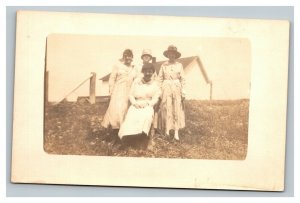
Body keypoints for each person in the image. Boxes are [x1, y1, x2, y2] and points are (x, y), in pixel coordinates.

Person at [118, 63, 161, 148]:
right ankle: (128, 138)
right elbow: (130, 95)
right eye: (146, 71)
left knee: (146, 116)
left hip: (148, 105)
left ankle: (142, 138)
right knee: (131, 115)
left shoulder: (155, 84)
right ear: (143, 72)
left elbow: (155, 98)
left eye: (150, 72)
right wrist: (134, 103)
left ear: (153, 73)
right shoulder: (137, 81)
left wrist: (148, 104)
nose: (148, 74)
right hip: (136, 104)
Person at [101, 49, 138, 138]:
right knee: (116, 111)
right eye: (126, 56)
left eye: (130, 56)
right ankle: (115, 132)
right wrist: (111, 91)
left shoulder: (134, 68)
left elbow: (136, 80)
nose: (128, 58)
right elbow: (112, 78)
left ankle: (125, 133)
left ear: (132, 57)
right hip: (118, 91)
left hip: (129, 92)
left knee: (126, 111)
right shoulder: (117, 66)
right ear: (123, 57)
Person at [158, 45, 186, 141]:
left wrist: (183, 92)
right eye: (170, 54)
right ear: (168, 54)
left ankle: (176, 132)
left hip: (176, 87)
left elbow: (183, 79)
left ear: (175, 55)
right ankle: (167, 130)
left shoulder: (179, 65)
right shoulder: (164, 65)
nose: (171, 55)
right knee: (166, 107)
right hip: (166, 87)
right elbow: (160, 79)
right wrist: (160, 91)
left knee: (176, 108)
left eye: (173, 54)